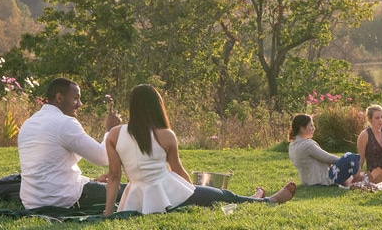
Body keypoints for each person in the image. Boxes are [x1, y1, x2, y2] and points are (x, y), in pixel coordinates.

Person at [103, 84, 295, 215]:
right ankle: (269, 200)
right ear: (157, 107)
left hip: (136, 197)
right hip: (169, 192)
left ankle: (256, 198)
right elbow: (177, 170)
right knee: (223, 196)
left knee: (215, 197)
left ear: (132, 106)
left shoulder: (114, 134)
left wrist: (108, 213)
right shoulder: (165, 135)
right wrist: (193, 191)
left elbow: (114, 177)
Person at [17, 77, 123, 210]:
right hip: (62, 200)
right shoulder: (65, 123)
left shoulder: (29, 123)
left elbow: (51, 169)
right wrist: (110, 130)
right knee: (127, 191)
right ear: (59, 98)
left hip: (32, 201)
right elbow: (103, 157)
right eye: (76, 98)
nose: (80, 104)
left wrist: (91, 181)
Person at [288, 114, 363, 187]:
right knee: (351, 157)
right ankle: (356, 180)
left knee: (349, 161)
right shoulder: (306, 144)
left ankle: (353, 180)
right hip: (320, 180)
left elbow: (322, 159)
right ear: (302, 128)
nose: (314, 128)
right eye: (311, 125)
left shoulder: (292, 145)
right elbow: (327, 158)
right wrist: (343, 162)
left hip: (307, 181)